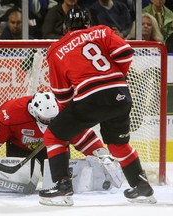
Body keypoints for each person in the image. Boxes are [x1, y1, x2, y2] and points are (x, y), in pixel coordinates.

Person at [38, 8, 156, 206]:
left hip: (90, 97)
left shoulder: (56, 49)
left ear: (65, 27)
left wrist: (70, 117)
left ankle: (62, 187)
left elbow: (62, 93)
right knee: (118, 146)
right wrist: (116, 80)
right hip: (120, 94)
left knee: (53, 135)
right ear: (88, 24)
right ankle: (141, 185)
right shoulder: (101, 31)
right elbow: (126, 52)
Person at [0, 92, 122, 191]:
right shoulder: (10, 113)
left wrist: (103, 157)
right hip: (21, 152)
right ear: (33, 111)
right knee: (17, 190)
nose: (49, 122)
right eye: (45, 119)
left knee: (61, 185)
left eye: (53, 119)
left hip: (55, 150)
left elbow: (86, 139)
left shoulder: (65, 111)